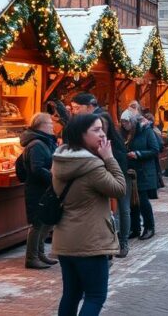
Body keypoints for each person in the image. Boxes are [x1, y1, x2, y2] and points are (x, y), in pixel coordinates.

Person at [52, 112, 126, 315]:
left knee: (71, 294)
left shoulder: (61, 159)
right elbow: (119, 188)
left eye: (102, 129)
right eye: (96, 130)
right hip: (89, 242)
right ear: (80, 135)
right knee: (95, 296)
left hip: (66, 239)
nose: (102, 134)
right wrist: (109, 158)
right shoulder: (92, 166)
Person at [73, 94, 132, 258]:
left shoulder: (114, 141)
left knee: (123, 208)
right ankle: (109, 244)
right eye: (96, 128)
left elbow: (122, 160)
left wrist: (109, 158)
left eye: (101, 128)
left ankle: (123, 242)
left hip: (119, 175)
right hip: (102, 178)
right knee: (107, 210)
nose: (100, 131)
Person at [20, 112, 58, 269]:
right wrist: (54, 178)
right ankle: (31, 257)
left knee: (46, 222)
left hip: (45, 188)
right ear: (42, 126)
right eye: (50, 123)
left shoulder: (44, 142)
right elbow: (37, 168)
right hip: (37, 189)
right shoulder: (36, 144)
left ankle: (40, 253)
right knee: (37, 223)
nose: (53, 126)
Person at [122, 108, 161, 241]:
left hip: (144, 172)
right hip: (132, 172)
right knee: (133, 202)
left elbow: (155, 149)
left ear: (132, 122)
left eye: (126, 123)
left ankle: (149, 227)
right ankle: (135, 227)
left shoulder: (147, 131)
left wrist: (138, 154)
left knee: (143, 201)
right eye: (122, 123)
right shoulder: (128, 133)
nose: (124, 126)